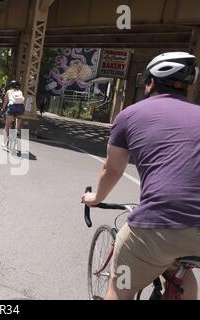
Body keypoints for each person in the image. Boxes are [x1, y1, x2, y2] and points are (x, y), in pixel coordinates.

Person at [82, 52, 200, 300]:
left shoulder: (130, 115)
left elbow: (112, 170)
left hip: (159, 224)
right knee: (183, 270)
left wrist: (95, 197)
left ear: (151, 82)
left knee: (119, 286)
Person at [1, 80, 25, 148]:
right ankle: (17, 129)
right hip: (21, 107)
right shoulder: (20, 92)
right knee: (19, 118)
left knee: (7, 125)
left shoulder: (9, 91)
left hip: (12, 106)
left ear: (10, 86)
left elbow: (5, 101)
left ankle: (4, 142)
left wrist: (3, 108)